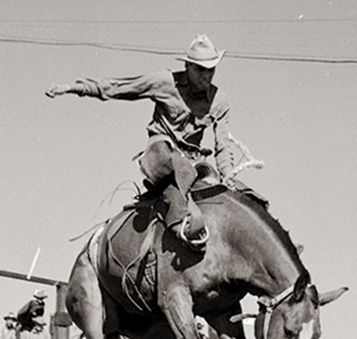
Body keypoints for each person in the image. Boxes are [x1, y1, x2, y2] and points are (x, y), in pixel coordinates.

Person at [45, 34, 242, 252]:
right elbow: (120, 87)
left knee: (243, 197)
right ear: (187, 66)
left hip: (193, 161)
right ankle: (178, 223)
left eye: (211, 70)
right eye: (200, 69)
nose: (206, 75)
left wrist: (229, 175)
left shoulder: (220, 101)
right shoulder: (165, 82)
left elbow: (223, 145)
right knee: (172, 164)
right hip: (161, 150)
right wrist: (75, 88)